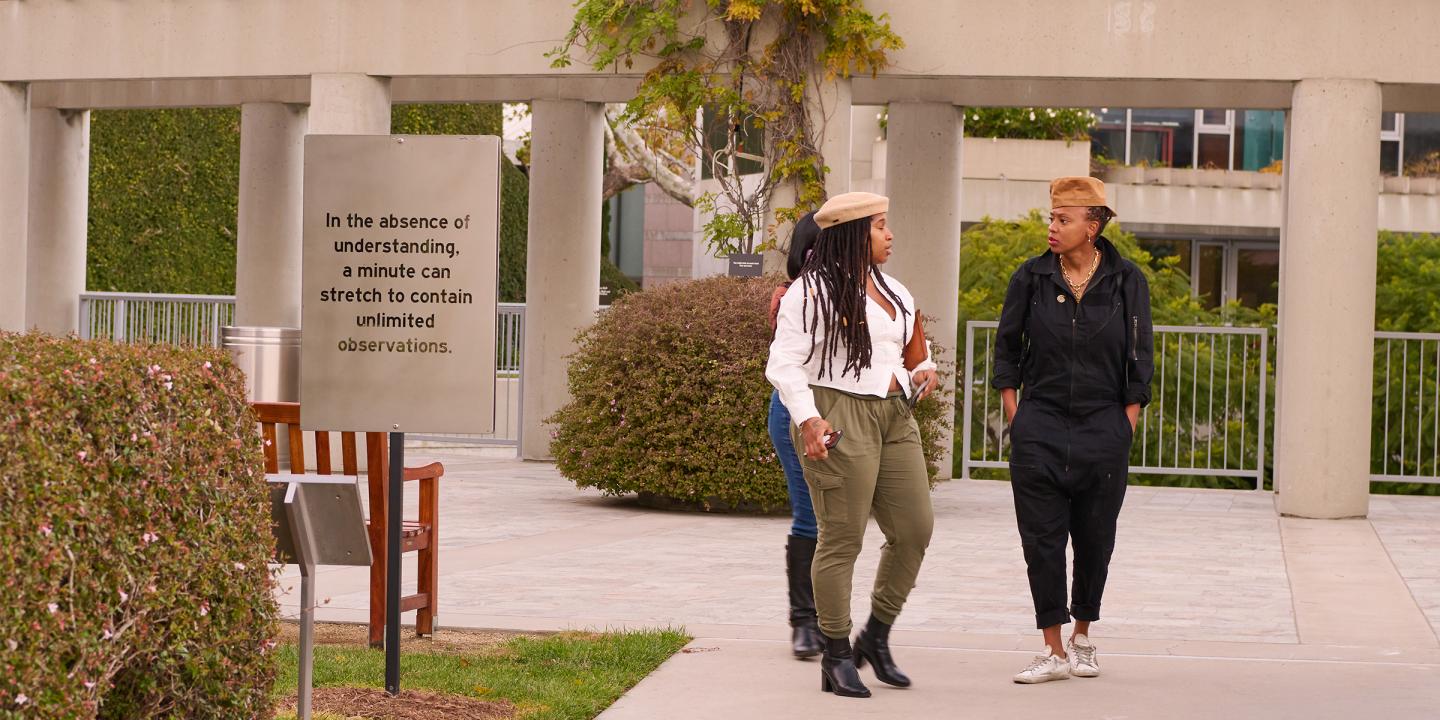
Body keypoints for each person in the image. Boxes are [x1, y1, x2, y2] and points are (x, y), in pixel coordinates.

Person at [767, 192, 939, 699]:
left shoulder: (898, 292)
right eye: (881, 226)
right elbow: (783, 364)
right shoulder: (810, 293)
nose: (890, 235)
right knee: (842, 537)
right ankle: (836, 654)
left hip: (894, 416)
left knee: (914, 529)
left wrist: (922, 372)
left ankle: (876, 636)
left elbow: (913, 353)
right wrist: (809, 418)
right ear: (851, 233)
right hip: (839, 412)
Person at [991, 176, 1154, 684]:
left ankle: (1083, 637)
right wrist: (1017, 414)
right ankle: (1052, 649)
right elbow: (1007, 349)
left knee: (1094, 539)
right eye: (1051, 217)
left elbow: (1140, 358)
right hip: (1039, 429)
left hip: (1103, 428)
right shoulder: (1031, 278)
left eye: (1064, 219)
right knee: (1040, 541)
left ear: (1094, 224)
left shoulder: (1127, 280)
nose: (1052, 227)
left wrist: (1126, 421)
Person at [767, 211, 824, 659]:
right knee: (810, 517)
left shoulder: (871, 293)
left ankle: (831, 620)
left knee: (838, 525)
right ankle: (805, 623)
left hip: (850, 414)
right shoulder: (794, 296)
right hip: (794, 415)